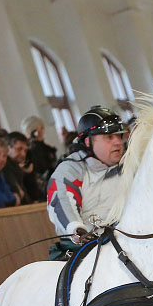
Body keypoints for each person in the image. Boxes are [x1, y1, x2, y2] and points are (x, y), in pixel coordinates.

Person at [46, 106, 125, 260]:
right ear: (88, 141)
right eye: (109, 137)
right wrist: (76, 229)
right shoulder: (70, 170)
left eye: (119, 136)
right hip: (84, 247)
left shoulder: (129, 165)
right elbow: (62, 201)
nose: (117, 142)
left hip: (125, 243)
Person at [4, 131, 43, 203]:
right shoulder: (5, 167)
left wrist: (28, 173)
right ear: (8, 148)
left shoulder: (17, 168)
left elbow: (35, 195)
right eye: (19, 149)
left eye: (25, 150)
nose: (23, 154)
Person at [22, 115, 58, 192]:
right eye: (40, 128)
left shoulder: (48, 149)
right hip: (40, 185)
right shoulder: (28, 150)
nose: (42, 131)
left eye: (42, 128)